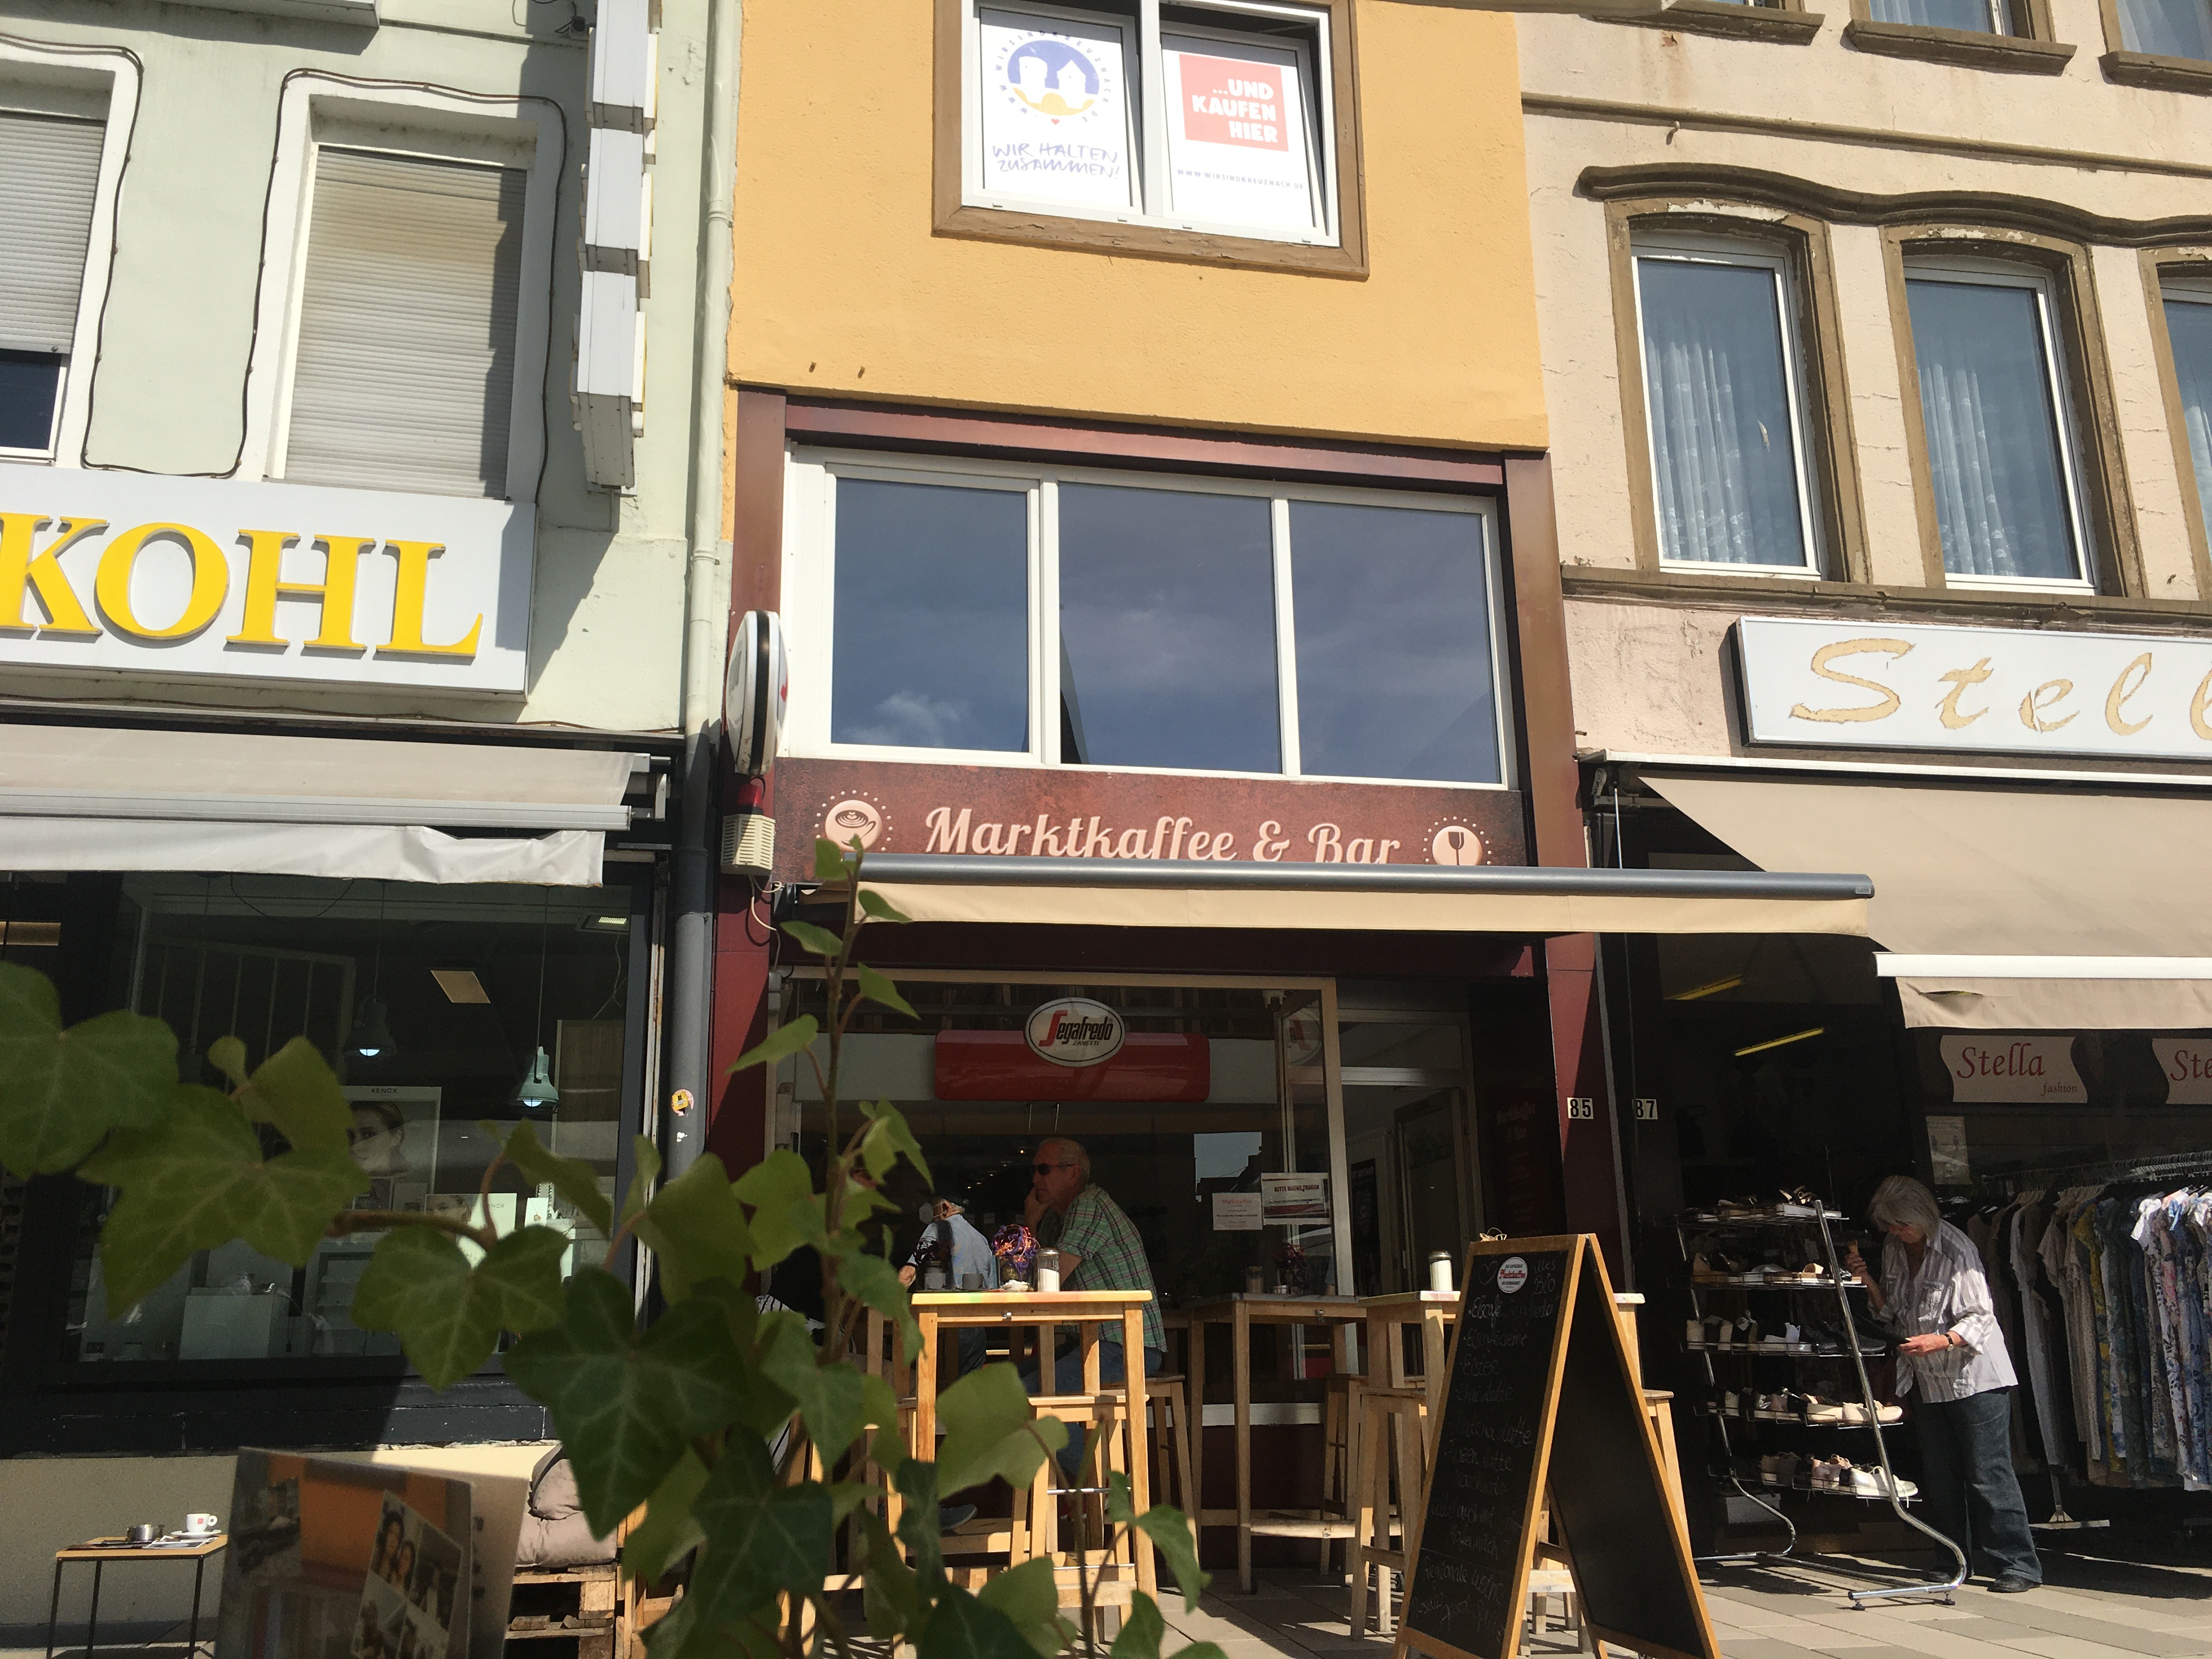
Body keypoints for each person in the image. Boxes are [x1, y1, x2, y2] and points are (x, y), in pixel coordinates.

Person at [1847, 1175, 2041, 1594]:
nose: (1896, 1231)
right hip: (1927, 1378)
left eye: (1901, 1224)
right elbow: (1893, 1312)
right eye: (1890, 1226)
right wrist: (1868, 1282)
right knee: (1940, 1477)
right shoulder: (1895, 1249)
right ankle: (1952, 1558)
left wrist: (1941, 1340)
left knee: (1987, 1473)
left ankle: (2018, 1564)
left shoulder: (1956, 1248)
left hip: (1973, 1375)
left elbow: (1981, 1316)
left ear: (1920, 1216)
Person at [1022, 1135, 1167, 1475]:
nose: (1036, 1178)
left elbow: (1049, 1280)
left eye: (1044, 1170)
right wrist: (1034, 1225)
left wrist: (1030, 1223)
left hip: (1127, 1345)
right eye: (1034, 1171)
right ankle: (1089, 1486)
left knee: (1030, 1396)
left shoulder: (1089, 1204)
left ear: (1073, 1174)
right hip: (1089, 1343)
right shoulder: (1058, 1219)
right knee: (1010, 1389)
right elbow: (1034, 1280)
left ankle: (1106, 1485)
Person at [899, 1189, 996, 1374]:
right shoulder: (981, 1239)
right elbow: (991, 1288)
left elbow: (908, 1274)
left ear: (944, 1208)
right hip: (978, 1330)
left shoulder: (938, 1229)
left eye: (933, 1206)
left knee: (937, 1384)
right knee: (969, 1385)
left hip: (947, 1327)